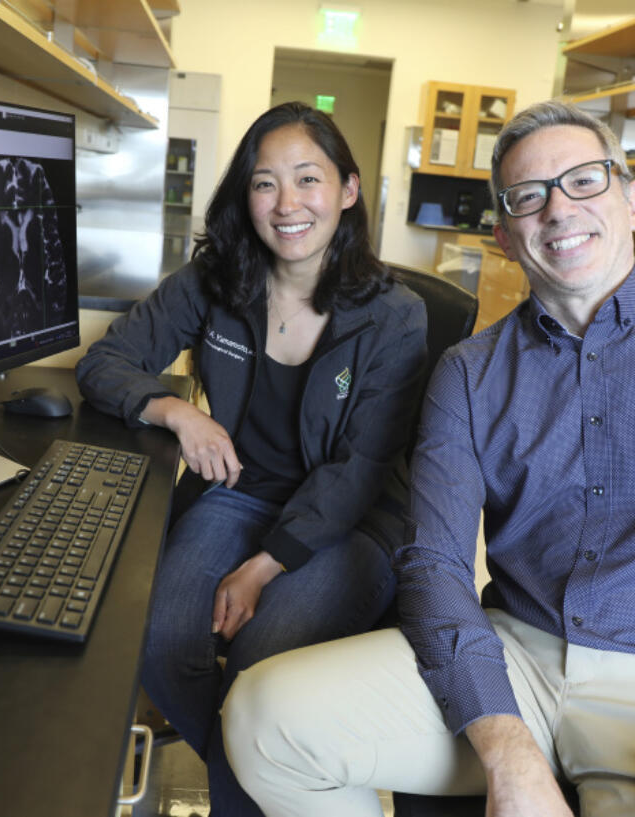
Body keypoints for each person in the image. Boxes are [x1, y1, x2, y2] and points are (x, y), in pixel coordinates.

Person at [221, 100, 635, 817]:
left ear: (633, 198)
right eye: (528, 197)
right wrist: (507, 749)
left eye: (584, 181)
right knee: (262, 718)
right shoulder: (468, 372)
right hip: (515, 659)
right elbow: (434, 565)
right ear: (507, 235)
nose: (559, 211)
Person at [75, 101, 427, 815]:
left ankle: (263, 784)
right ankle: (276, 785)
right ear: (246, 196)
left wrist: (264, 565)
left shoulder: (395, 315)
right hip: (238, 495)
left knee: (265, 662)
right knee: (163, 635)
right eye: (265, 183)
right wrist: (175, 411)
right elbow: (106, 361)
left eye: (308, 179)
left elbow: (360, 470)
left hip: (349, 523)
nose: (287, 203)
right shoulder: (216, 281)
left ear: (349, 190)